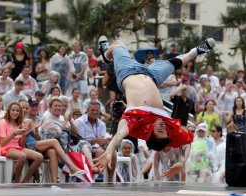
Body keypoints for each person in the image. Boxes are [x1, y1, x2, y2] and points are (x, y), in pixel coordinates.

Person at [94, 35, 215, 173]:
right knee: (180, 61)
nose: (163, 126)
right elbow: (186, 144)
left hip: (128, 72)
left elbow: (118, 135)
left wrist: (109, 152)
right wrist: (182, 162)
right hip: (153, 75)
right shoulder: (167, 125)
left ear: (150, 131)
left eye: (160, 130)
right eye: (165, 131)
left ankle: (106, 55)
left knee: (118, 43)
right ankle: (197, 50)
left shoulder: (135, 120)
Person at [19, 100, 85, 183]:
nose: (24, 110)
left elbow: (38, 138)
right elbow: (56, 135)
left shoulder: (28, 120)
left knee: (52, 151)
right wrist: (28, 130)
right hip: (28, 146)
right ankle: (71, 167)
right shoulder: (20, 121)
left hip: (36, 144)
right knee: (54, 141)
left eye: (26, 108)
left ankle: (54, 182)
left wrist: (35, 130)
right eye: (22, 108)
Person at [0, 102, 43, 183]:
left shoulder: (20, 123)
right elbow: (2, 143)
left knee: (39, 157)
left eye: (17, 111)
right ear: (9, 111)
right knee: (22, 156)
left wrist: (24, 134)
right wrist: (14, 134)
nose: (15, 112)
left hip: (17, 148)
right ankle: (17, 181)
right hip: (5, 148)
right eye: (13, 110)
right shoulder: (3, 122)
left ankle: (25, 180)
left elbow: (21, 145)